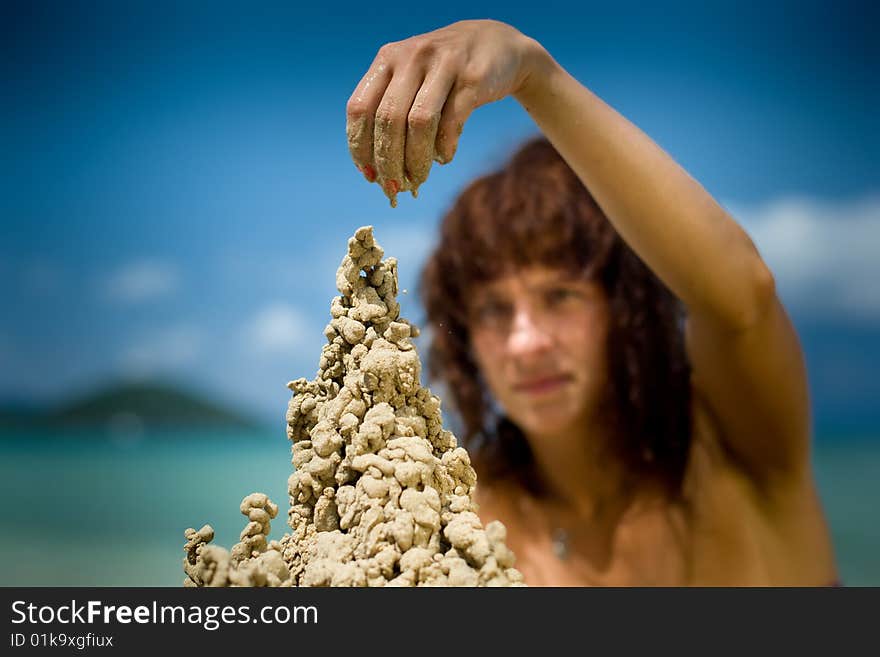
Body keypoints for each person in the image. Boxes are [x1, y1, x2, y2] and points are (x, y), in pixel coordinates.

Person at [345, 19, 838, 586]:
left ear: (623, 310)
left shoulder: (737, 452)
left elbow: (742, 299)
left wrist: (536, 74)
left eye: (560, 296)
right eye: (493, 310)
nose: (526, 341)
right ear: (465, 336)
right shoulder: (454, 522)